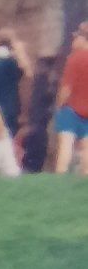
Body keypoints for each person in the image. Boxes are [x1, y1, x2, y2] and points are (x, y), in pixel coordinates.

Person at [52, 21, 88, 175]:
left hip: (71, 109)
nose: (73, 41)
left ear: (83, 39)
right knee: (86, 150)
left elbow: (66, 89)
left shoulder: (75, 58)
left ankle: (61, 178)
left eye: (76, 37)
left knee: (65, 147)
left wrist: (58, 106)